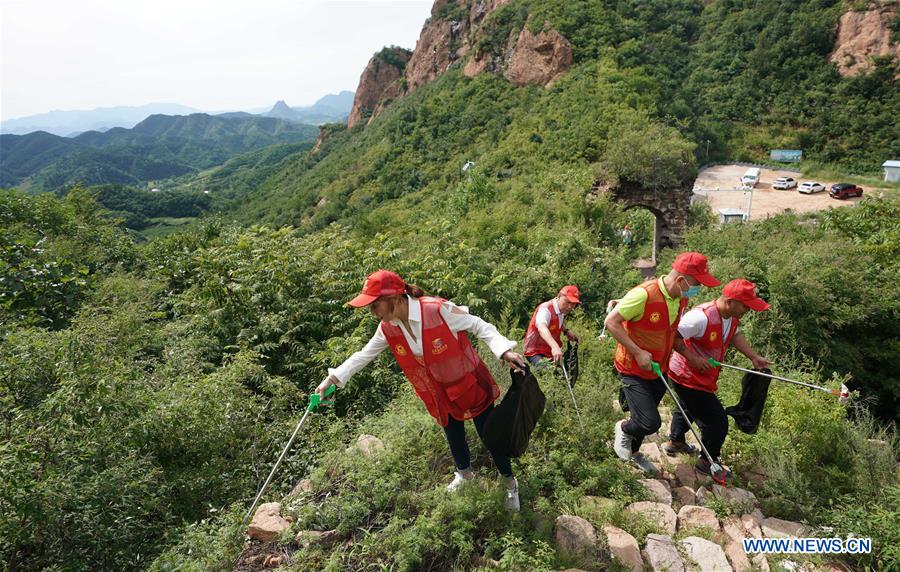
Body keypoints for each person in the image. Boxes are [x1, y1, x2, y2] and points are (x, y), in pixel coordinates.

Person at [316, 270, 528, 511]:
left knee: (490, 434)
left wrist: (504, 351)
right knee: (452, 430)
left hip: (466, 380)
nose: (372, 312)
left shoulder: (437, 310)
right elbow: (363, 355)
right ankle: (465, 475)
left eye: (375, 305)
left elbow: (478, 324)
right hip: (438, 389)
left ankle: (510, 483)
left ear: (395, 300)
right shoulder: (388, 327)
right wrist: (331, 379)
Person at [604, 252, 720, 475]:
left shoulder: (680, 298)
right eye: (696, 284)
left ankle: (632, 454)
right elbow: (612, 322)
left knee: (643, 417)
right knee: (649, 422)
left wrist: (691, 356)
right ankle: (623, 428)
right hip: (633, 368)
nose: (698, 289)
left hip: (659, 368)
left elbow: (670, 333)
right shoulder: (644, 295)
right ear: (680, 280)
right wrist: (638, 352)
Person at [663, 279, 772, 480]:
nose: (748, 310)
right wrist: (693, 358)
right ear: (730, 301)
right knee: (717, 422)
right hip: (686, 375)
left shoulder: (730, 317)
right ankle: (707, 461)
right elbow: (673, 336)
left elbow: (735, 334)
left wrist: (753, 357)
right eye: (745, 306)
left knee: (687, 407)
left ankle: (675, 443)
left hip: (702, 376)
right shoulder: (700, 317)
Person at [523, 285, 581, 365]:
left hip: (550, 352)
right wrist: (555, 346)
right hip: (535, 352)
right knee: (548, 372)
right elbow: (541, 327)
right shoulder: (545, 309)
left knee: (562, 375)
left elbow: (557, 319)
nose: (570, 307)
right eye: (567, 302)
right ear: (559, 296)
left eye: (573, 304)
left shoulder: (561, 309)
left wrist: (566, 331)